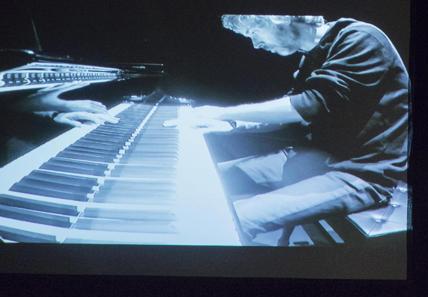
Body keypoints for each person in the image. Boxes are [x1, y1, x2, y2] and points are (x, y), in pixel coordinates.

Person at [164, 14, 409, 243]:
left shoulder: (361, 38)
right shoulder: (312, 55)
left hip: (361, 173)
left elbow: (312, 103)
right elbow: (294, 117)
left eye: (254, 31)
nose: (255, 45)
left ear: (278, 16)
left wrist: (219, 111)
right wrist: (229, 124)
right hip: (312, 160)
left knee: (228, 219)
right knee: (196, 180)